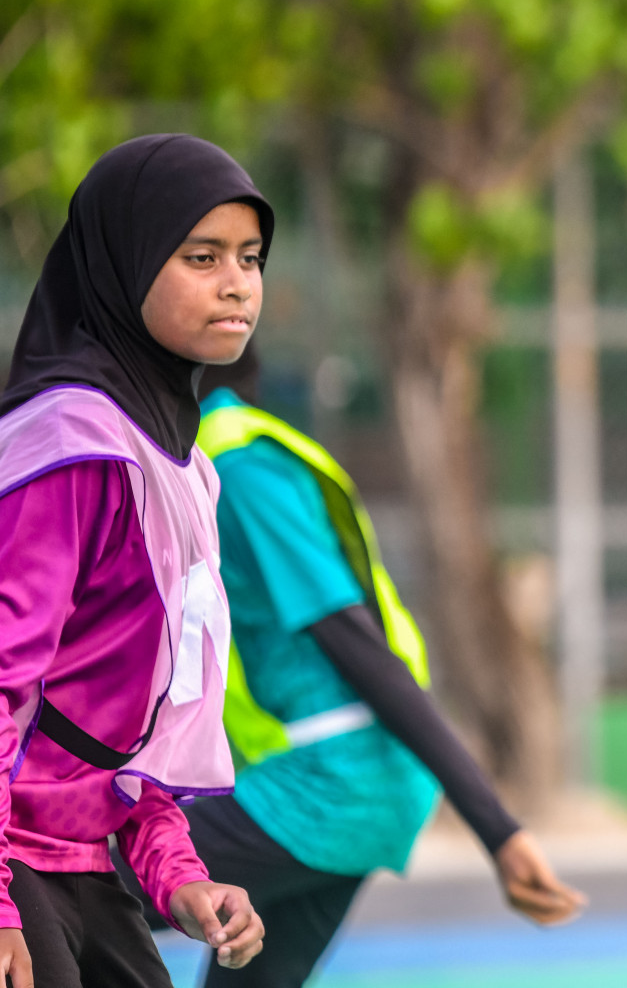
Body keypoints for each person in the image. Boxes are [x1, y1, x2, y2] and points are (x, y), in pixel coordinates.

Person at [114, 344, 586, 987]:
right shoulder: (193, 460)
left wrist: (497, 830)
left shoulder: (241, 468)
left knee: (73, 884)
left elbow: (359, 648)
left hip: (333, 778)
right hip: (347, 782)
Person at [0, 134, 272, 986]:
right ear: (125, 265)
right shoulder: (68, 446)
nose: (237, 282)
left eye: (251, 257)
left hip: (82, 860)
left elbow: (139, 729)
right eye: (202, 257)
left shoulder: (188, 469)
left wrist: (181, 876)